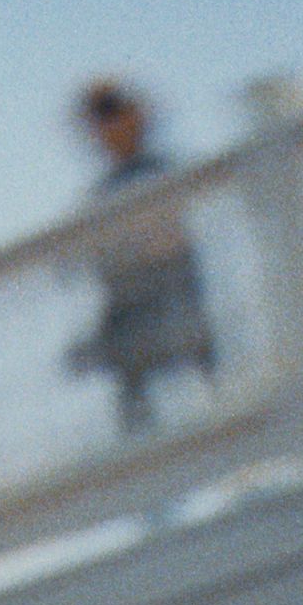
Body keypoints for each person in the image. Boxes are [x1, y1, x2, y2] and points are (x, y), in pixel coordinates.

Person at [66, 77, 216, 434]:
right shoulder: (101, 195)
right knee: (138, 429)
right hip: (131, 326)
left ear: (136, 116)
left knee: (211, 414)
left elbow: (172, 238)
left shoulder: (165, 172)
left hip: (179, 313)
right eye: (98, 119)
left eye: (110, 113)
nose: (104, 129)